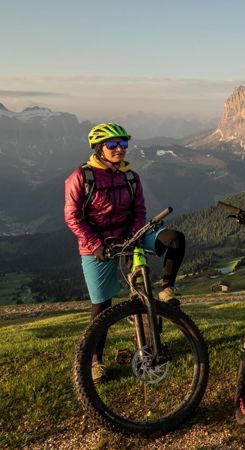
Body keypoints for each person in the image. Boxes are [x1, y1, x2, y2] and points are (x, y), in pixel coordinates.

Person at [64, 122, 186, 383]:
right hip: (97, 247)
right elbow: (72, 217)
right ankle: (95, 361)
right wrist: (96, 245)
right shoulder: (81, 177)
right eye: (113, 145)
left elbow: (139, 212)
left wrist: (133, 237)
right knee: (102, 306)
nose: (120, 149)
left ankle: (167, 293)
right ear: (99, 149)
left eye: (123, 145)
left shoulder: (130, 177)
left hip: (131, 237)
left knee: (174, 241)